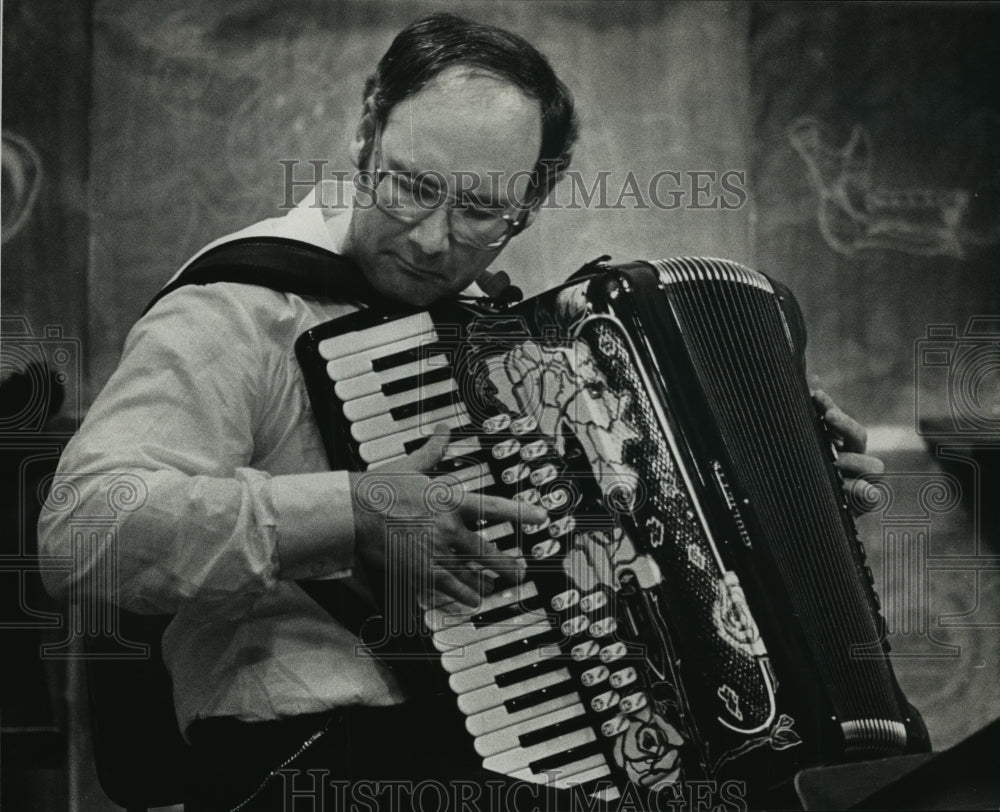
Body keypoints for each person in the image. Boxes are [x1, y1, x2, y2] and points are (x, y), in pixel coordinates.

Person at [38, 12, 883, 812]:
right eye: (412, 186)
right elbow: (81, 533)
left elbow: (605, 545)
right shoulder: (241, 310)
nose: (433, 239)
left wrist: (778, 494)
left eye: (481, 212)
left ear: (529, 206)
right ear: (367, 134)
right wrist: (352, 509)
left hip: (519, 751)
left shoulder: (509, 340)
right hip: (308, 757)